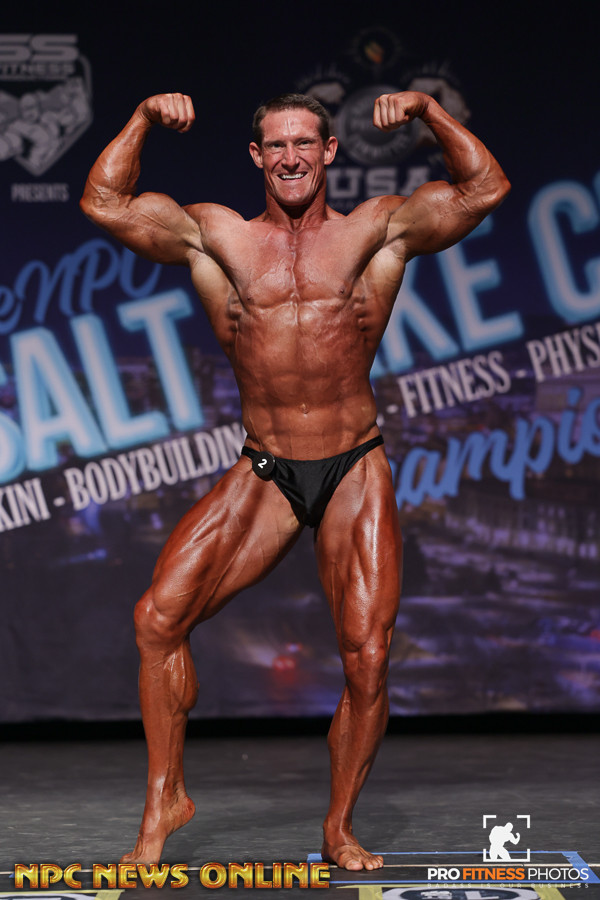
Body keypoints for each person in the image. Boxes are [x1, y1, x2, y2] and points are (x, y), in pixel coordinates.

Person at [80, 89, 509, 870]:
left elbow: (484, 188)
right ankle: (164, 799)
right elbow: (103, 201)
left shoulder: (375, 232)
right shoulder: (218, 238)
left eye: (304, 143)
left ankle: (338, 826)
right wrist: (142, 119)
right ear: (256, 157)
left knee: (368, 658)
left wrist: (427, 111)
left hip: (353, 461)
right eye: (275, 145)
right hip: (268, 465)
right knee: (157, 619)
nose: (290, 158)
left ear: (329, 151)